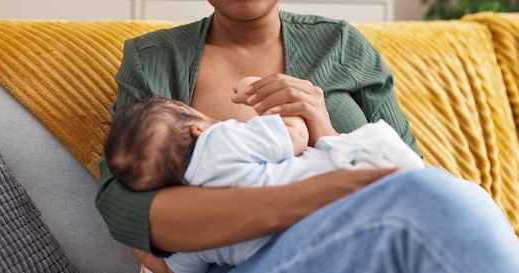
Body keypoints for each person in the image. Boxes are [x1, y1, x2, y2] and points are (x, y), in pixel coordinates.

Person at [95, 0, 519, 272]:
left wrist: (325, 129)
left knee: (445, 200)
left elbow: (408, 168)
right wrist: (332, 189)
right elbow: (126, 209)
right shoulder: (152, 59)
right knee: (440, 201)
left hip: (367, 246)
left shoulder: (342, 44)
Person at [105, 94, 424, 273]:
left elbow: (166, 269)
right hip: (347, 185)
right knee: (375, 143)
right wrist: (275, 111)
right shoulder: (220, 140)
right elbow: (296, 136)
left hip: (302, 253)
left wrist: (138, 245)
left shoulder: (191, 227)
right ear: (196, 129)